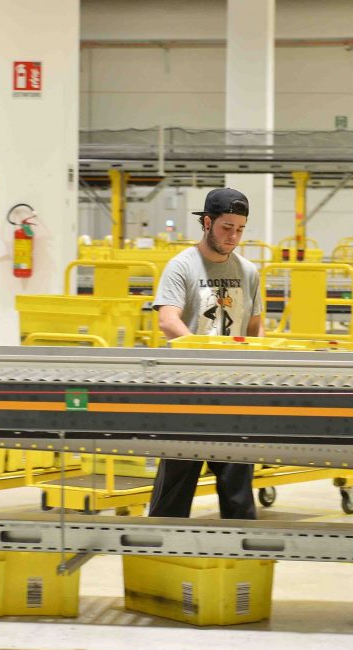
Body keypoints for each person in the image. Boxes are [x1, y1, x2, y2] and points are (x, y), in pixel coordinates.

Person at [147, 187, 264, 520]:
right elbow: (168, 320)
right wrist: (207, 357)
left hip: (234, 394)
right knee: (175, 488)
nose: (233, 236)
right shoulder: (182, 266)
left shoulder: (248, 271)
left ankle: (241, 550)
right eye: (227, 227)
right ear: (207, 222)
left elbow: (255, 328)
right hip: (188, 393)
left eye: (240, 229)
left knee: (238, 492)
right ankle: (161, 546)